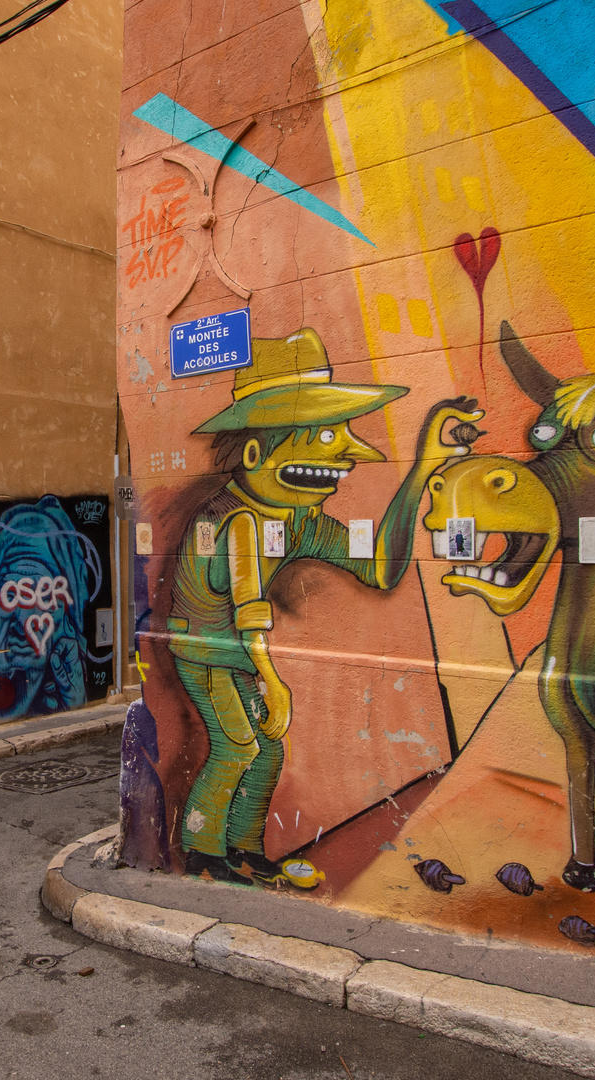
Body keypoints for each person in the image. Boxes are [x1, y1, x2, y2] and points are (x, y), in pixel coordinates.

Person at [169, 328, 479, 885]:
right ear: (259, 451)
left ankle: (243, 847)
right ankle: (201, 848)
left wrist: (422, 468)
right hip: (209, 647)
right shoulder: (234, 519)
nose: (347, 457)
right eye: (323, 436)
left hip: (239, 651)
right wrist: (274, 681)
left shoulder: (300, 522)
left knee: (266, 753)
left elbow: (381, 566)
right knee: (239, 745)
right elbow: (248, 613)